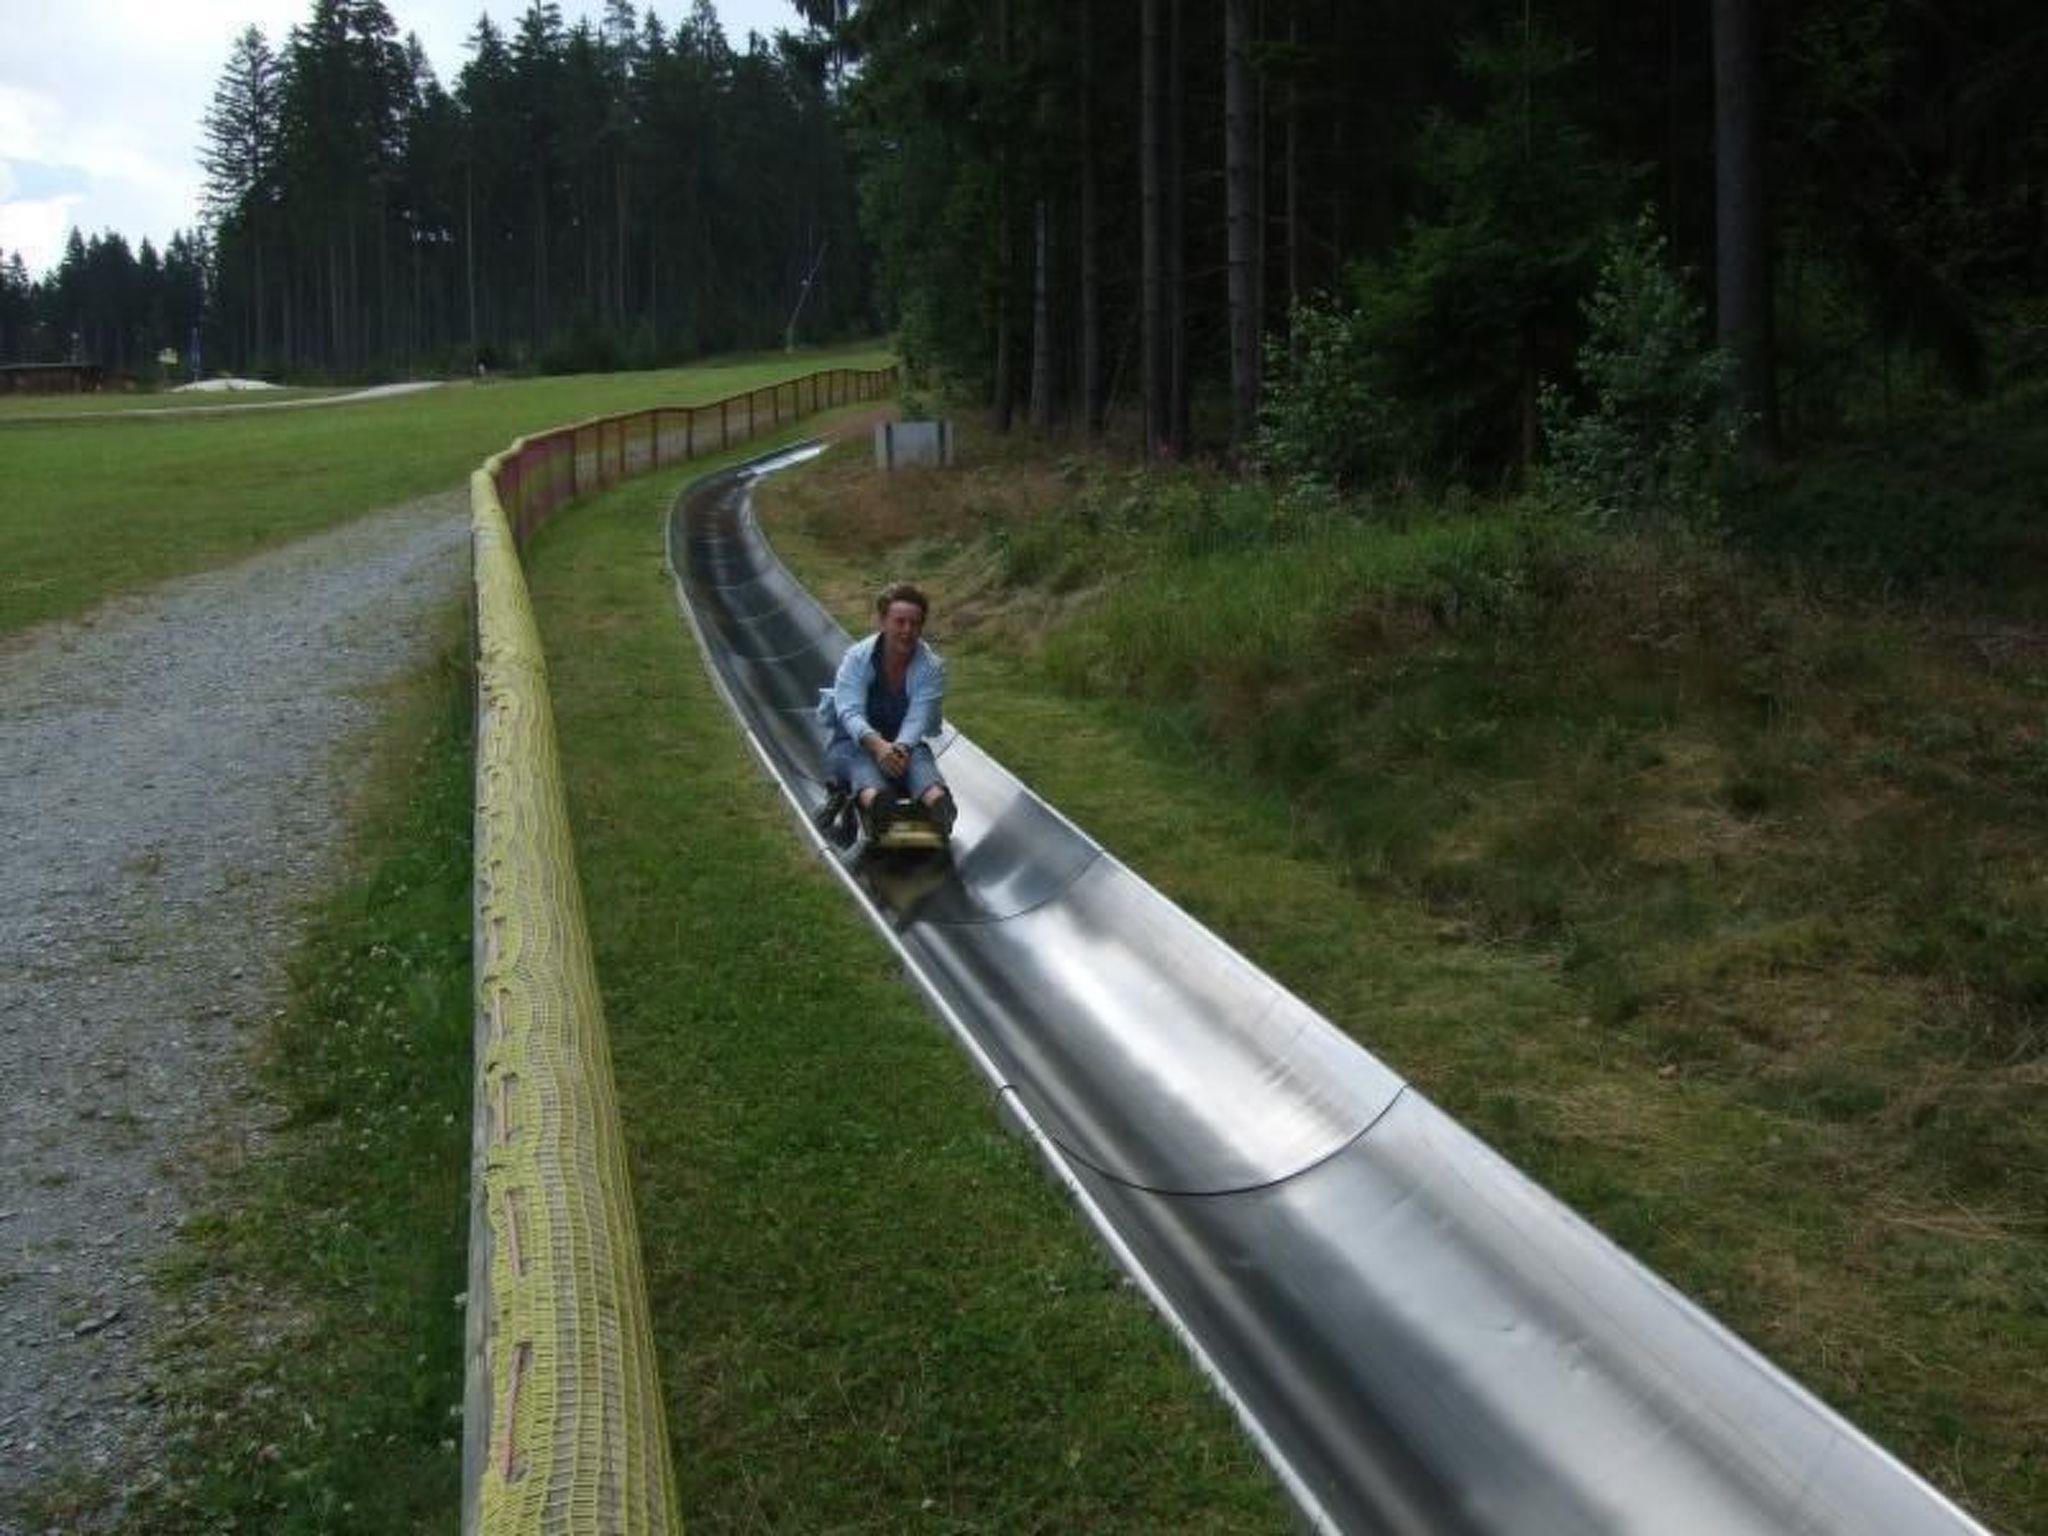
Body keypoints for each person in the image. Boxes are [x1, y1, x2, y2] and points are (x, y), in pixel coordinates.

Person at [814, 582, 958, 845]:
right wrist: (879, 747)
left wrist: (899, 748)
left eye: (915, 624)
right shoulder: (857, 658)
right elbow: (849, 711)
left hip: (905, 745)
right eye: (900, 622)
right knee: (861, 766)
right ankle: (878, 805)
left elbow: (918, 717)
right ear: (883, 622)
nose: (907, 631)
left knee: (920, 762)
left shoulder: (930, 667)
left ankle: (938, 804)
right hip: (855, 743)